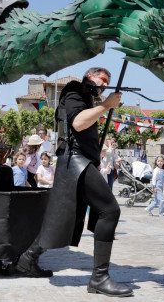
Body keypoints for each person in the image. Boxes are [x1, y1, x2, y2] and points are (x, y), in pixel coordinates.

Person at [15, 66, 132, 297]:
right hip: (75, 160)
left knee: (62, 218)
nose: (104, 86)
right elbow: (78, 123)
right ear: (90, 77)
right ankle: (99, 278)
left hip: (80, 161)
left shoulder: (88, 97)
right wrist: (106, 105)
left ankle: (27, 259)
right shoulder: (74, 91)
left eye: (107, 83)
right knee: (109, 210)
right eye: (102, 80)